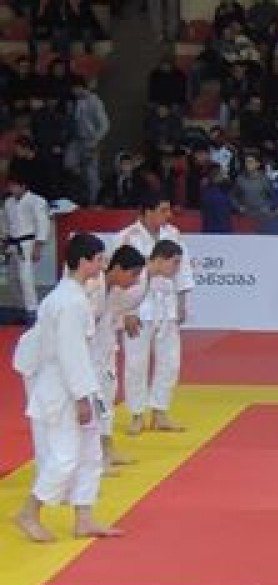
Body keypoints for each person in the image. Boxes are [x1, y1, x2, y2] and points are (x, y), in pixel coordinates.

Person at [11, 233, 121, 542]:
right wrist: (81, 398)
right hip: (63, 389)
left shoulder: (72, 297)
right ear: (84, 261)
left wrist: (88, 394)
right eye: (99, 260)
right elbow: (70, 354)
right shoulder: (70, 302)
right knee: (65, 456)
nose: (102, 265)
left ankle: (84, 518)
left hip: (77, 384)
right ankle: (29, 512)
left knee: (90, 453)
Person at [115, 193, 194, 435]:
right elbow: (119, 276)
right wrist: (126, 311)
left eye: (168, 210)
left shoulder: (173, 233)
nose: (167, 215)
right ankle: (137, 414)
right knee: (136, 363)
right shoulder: (127, 237)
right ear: (147, 211)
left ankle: (160, 411)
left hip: (166, 305)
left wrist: (182, 303)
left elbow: (183, 268)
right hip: (138, 307)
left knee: (170, 361)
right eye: (162, 210)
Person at [86, 244, 147, 473]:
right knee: (93, 409)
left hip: (106, 354)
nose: (135, 281)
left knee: (106, 405)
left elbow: (121, 313)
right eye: (133, 274)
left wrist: (129, 316)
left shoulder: (116, 291)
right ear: (118, 268)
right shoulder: (92, 287)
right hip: (88, 358)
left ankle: (107, 451)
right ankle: (93, 460)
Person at [3, 168, 52, 324]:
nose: (11, 189)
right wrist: (4, 242)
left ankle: (32, 312)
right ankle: (19, 309)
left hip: (28, 244)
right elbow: (6, 224)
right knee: (12, 278)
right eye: (10, 186)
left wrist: (38, 246)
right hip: (12, 244)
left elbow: (42, 224)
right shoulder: (8, 203)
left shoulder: (37, 201)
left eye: (14, 186)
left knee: (26, 278)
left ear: (23, 186)